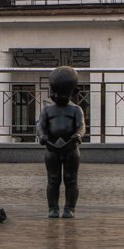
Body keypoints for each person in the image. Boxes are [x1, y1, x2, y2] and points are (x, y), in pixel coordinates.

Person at [35, 66, 85, 218]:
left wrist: (78, 135)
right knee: (53, 179)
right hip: (52, 150)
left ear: (74, 92)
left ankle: (69, 208)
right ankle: (53, 208)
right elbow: (40, 125)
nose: (56, 95)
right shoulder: (47, 110)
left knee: (71, 179)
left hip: (71, 149)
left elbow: (82, 126)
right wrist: (42, 135)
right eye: (53, 92)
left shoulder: (76, 110)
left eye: (62, 93)